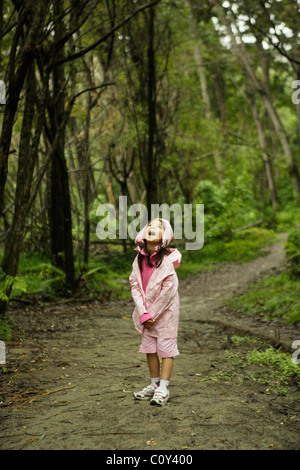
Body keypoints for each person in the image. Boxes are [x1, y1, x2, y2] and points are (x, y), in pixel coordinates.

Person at [129, 218, 181, 406]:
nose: (153, 228)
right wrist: (143, 313)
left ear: (165, 236)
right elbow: (135, 284)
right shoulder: (139, 259)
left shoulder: (168, 259)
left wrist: (152, 314)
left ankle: (164, 387)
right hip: (146, 315)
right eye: (150, 225)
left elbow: (169, 291)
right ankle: (154, 383)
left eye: (159, 227)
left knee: (166, 350)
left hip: (165, 313)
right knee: (150, 349)